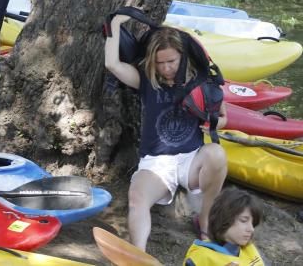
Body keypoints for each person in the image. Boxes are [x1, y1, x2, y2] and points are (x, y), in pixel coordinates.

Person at [104, 17, 228, 250]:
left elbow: (223, 117)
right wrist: (114, 25)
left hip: (191, 159)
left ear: (182, 56)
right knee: (137, 198)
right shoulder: (146, 81)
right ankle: (137, 254)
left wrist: (211, 123)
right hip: (156, 163)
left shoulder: (200, 80)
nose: (166, 68)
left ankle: (205, 219)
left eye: (171, 61)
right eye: (160, 63)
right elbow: (112, 65)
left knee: (217, 153)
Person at [184, 188, 266, 265]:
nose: (251, 229)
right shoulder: (201, 257)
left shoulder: (249, 249)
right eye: (244, 220)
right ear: (224, 218)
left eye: (253, 223)